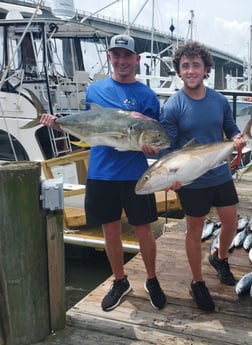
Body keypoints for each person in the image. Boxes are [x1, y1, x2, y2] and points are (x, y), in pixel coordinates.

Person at [40, 34, 167, 312]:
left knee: (144, 231)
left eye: (126, 55)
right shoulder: (94, 91)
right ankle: (120, 281)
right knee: (110, 231)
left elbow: (155, 136)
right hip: (100, 174)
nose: (121, 61)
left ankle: (152, 279)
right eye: (116, 55)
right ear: (110, 57)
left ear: (137, 59)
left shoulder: (146, 96)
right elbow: (89, 126)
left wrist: (153, 150)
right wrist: (57, 124)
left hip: (135, 174)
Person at [160, 40, 246, 311]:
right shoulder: (173, 106)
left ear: (206, 68)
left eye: (196, 65)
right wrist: (173, 178)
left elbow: (230, 128)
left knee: (231, 223)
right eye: (185, 66)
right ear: (179, 71)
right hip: (192, 179)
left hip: (219, 172)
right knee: (194, 231)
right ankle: (197, 282)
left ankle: (220, 258)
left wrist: (237, 138)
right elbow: (171, 149)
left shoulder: (219, 100)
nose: (191, 70)